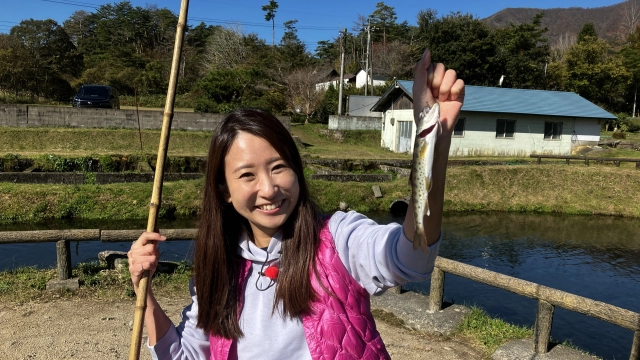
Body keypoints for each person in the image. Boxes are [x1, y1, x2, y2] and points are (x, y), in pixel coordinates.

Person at [128, 49, 465, 360]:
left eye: (279, 167)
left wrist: (434, 141)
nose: (269, 188)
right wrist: (144, 291)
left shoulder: (337, 239)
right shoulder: (216, 267)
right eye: (247, 175)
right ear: (224, 190)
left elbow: (412, 258)